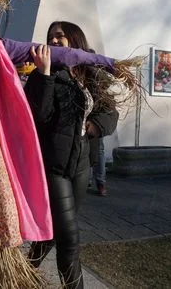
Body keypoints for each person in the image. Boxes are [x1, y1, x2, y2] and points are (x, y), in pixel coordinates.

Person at [24, 21, 119, 289]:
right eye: (50, 37)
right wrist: (44, 74)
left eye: (60, 37)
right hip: (55, 164)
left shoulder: (90, 74)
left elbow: (111, 112)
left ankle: (25, 270)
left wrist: (94, 126)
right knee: (70, 237)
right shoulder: (42, 74)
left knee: (56, 230)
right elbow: (39, 116)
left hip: (81, 163)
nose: (53, 42)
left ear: (74, 41)